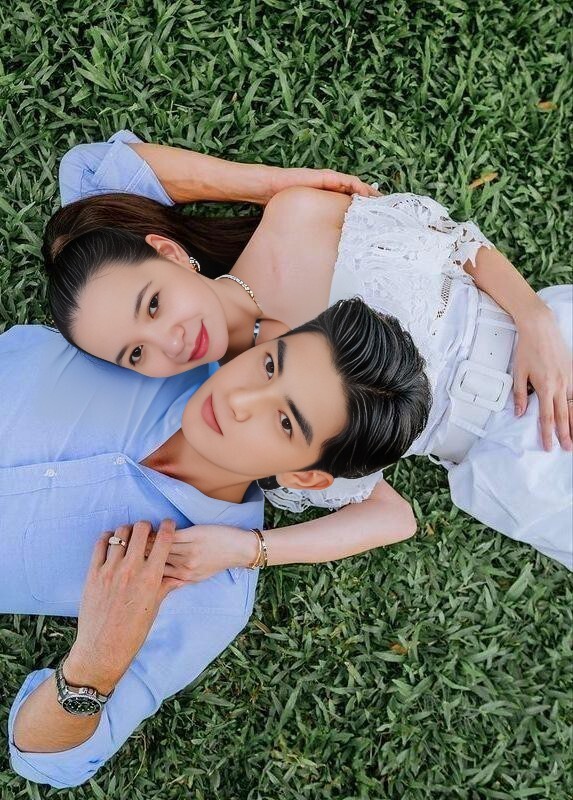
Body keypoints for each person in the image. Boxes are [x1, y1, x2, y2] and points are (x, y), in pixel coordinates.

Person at [46, 130, 573, 569]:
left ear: (171, 253)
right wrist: (250, 550)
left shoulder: (294, 219)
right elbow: (392, 517)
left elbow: (456, 245)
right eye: (136, 354)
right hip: (526, 462)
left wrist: (533, 317)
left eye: (155, 305)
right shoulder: (243, 413)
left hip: (547, 339)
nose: (171, 341)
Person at [3, 298, 431, 788]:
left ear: (304, 477)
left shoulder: (207, 599)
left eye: (285, 422)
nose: (239, 400)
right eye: (269, 365)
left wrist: (97, 664)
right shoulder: (167, 338)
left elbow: (45, 760)